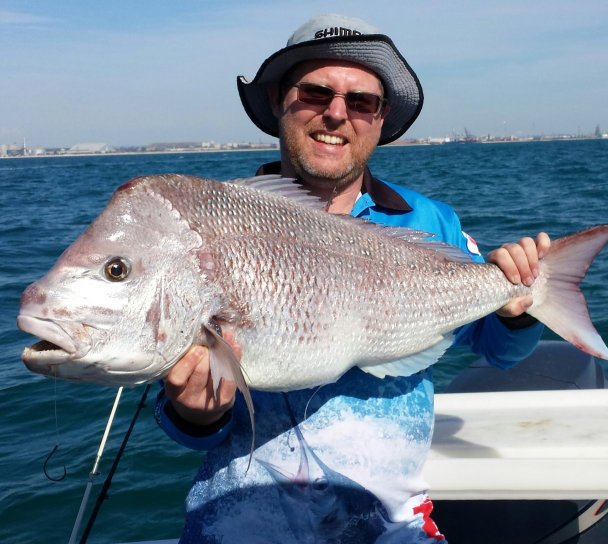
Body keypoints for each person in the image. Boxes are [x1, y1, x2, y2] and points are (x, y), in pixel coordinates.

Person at [154, 14, 548, 543]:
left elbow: (498, 351)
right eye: (315, 92)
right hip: (238, 527)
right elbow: (191, 426)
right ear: (278, 101)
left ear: (381, 119)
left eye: (362, 101)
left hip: (393, 530)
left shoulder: (431, 224)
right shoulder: (216, 220)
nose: (337, 114)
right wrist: (195, 413)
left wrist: (515, 310)